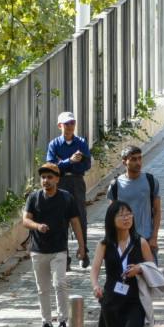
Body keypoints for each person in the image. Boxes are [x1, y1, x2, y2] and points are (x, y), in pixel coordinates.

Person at [22, 164, 83, 327]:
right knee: (43, 289)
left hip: (59, 249)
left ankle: (63, 322)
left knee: (60, 284)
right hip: (38, 250)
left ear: (57, 179)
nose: (46, 181)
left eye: (49, 177)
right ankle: (46, 323)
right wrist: (37, 226)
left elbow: (75, 222)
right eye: (43, 177)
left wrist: (81, 245)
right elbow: (25, 220)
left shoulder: (66, 198)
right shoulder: (34, 198)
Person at [105, 147, 161, 327]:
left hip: (144, 238)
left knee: (146, 279)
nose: (138, 162)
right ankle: (129, 316)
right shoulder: (115, 185)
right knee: (125, 278)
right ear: (124, 162)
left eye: (140, 158)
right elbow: (111, 215)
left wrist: (154, 237)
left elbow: (157, 210)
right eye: (133, 159)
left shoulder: (150, 181)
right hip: (123, 239)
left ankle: (146, 316)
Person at [45, 112, 93, 264]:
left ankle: (83, 251)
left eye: (72, 123)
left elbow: (87, 165)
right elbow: (51, 167)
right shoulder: (54, 144)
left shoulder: (81, 142)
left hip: (77, 181)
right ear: (60, 126)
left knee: (80, 216)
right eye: (67, 124)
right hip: (61, 183)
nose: (70, 127)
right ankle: (63, 255)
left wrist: (65, 164)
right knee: (60, 218)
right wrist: (70, 161)